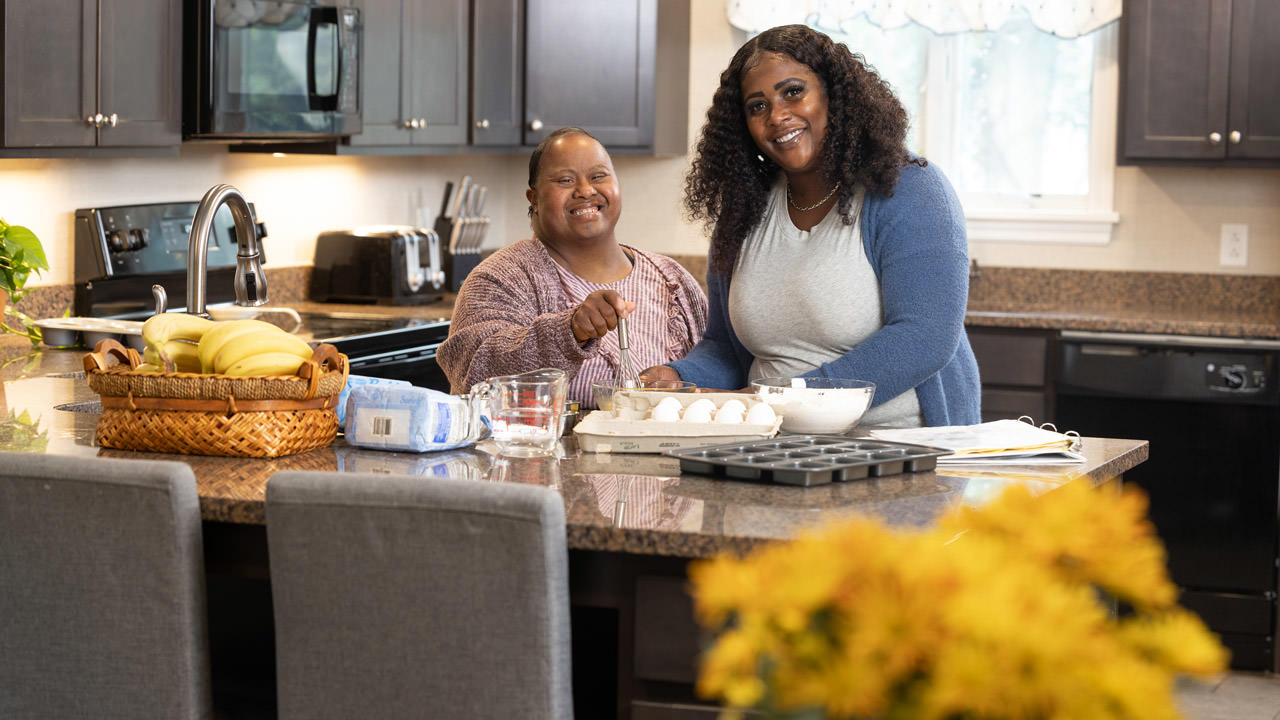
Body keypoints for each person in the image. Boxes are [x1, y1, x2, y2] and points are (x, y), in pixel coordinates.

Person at [643, 24, 980, 428]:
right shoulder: (745, 209)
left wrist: (789, 399)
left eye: (792, 92)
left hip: (897, 447)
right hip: (767, 442)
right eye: (757, 106)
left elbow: (924, 338)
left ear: (833, 94)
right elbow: (726, 349)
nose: (778, 116)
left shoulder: (909, 188)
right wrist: (680, 376)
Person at [437, 127, 708, 409]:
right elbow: (475, 378)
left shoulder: (672, 278)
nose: (585, 190)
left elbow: (714, 364)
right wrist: (569, 331)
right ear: (534, 199)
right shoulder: (499, 279)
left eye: (598, 176)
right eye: (565, 180)